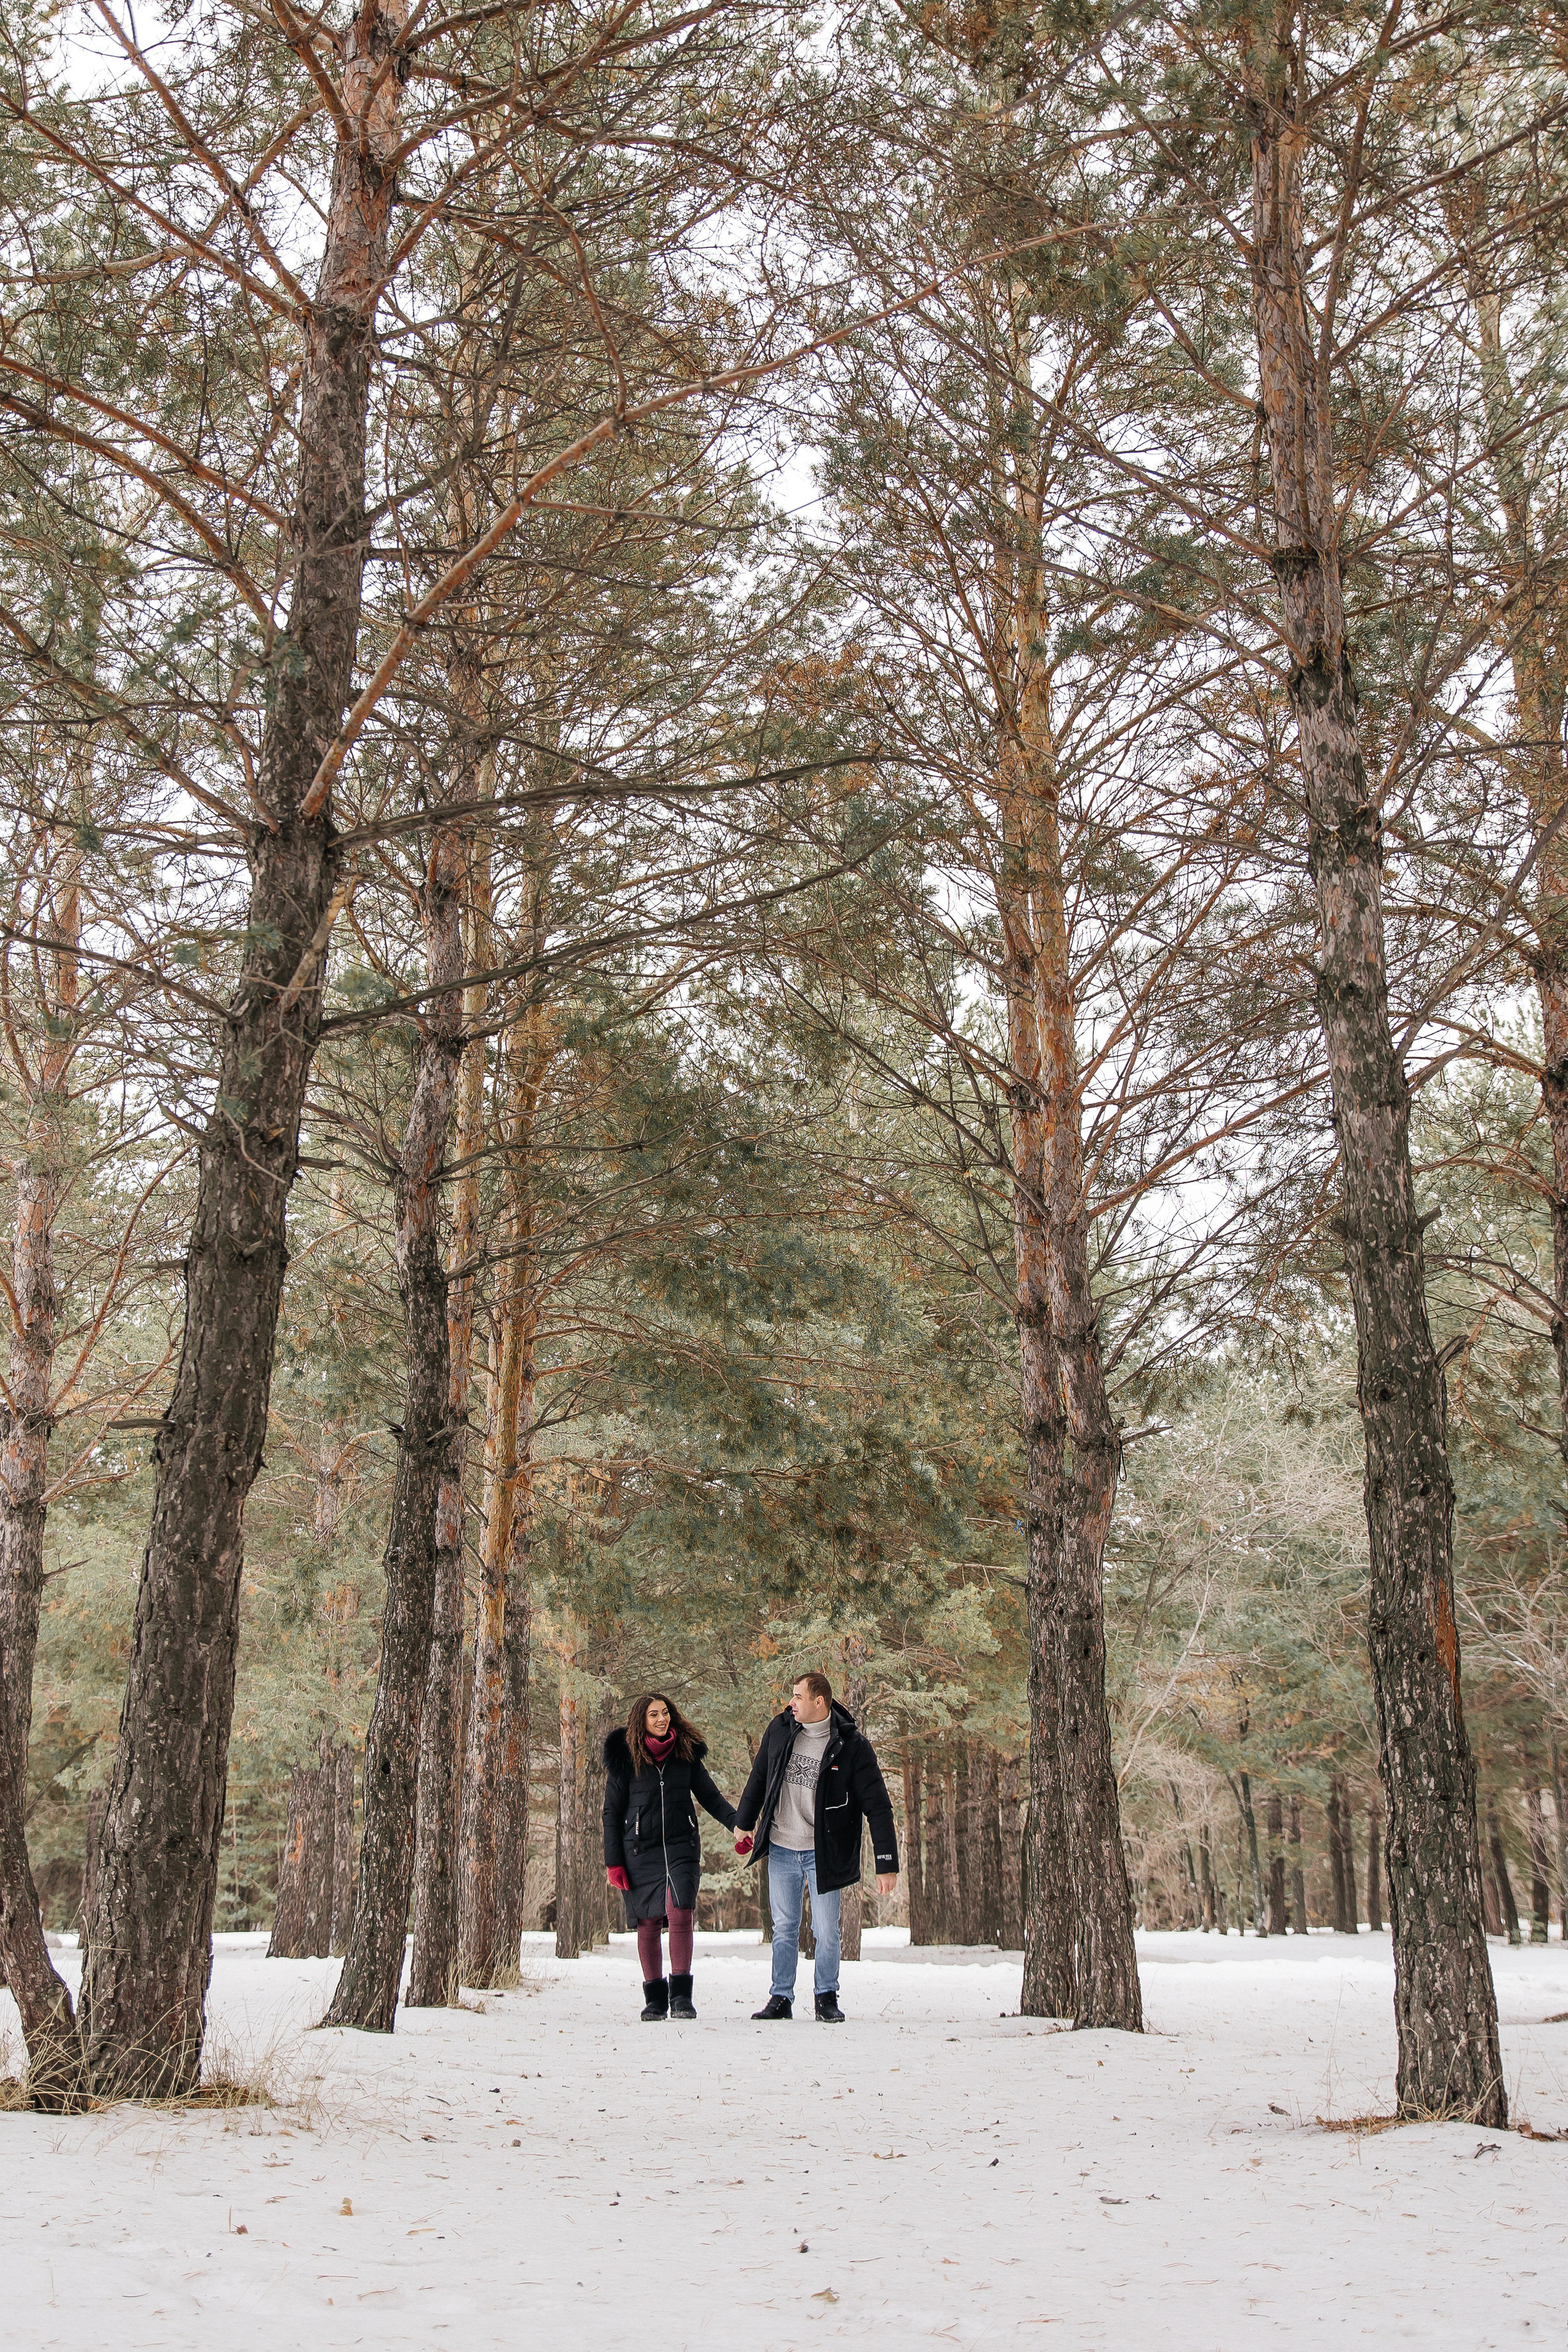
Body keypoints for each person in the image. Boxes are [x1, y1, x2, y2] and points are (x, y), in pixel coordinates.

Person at [732, 1670, 899, 2022]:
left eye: (797, 1697)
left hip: (825, 1853)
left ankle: (826, 1996)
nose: (790, 1703)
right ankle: (781, 1997)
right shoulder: (780, 1730)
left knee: (826, 1930)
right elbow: (760, 1775)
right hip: (781, 1846)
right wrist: (743, 1822)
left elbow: (879, 1806)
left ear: (818, 1702)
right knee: (785, 1927)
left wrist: (886, 1862)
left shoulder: (852, 1745)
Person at [603, 1691, 739, 2020]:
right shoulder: (626, 1758)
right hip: (640, 1851)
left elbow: (710, 1796)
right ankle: (654, 1998)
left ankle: (681, 1997)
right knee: (647, 1921)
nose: (662, 1719)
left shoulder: (685, 1754)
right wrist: (614, 1862)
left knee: (680, 1912)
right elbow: (611, 1812)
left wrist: (739, 1825)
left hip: (681, 1847)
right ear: (641, 1721)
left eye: (665, 1713)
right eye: (654, 1715)